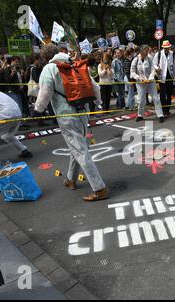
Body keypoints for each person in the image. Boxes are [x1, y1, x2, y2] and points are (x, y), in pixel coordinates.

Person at [35, 44, 108, 202]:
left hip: (66, 115)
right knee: (77, 146)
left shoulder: (49, 69)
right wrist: (99, 102)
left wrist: (37, 110)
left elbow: (45, 93)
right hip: (83, 111)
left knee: (80, 150)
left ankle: (99, 188)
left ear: (46, 57)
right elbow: (95, 87)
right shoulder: (74, 63)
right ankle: (71, 179)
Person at [130, 45, 165, 123]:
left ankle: (160, 115)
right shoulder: (135, 60)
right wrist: (139, 78)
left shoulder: (149, 58)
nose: (147, 52)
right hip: (140, 83)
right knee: (141, 100)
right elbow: (132, 72)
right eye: (146, 50)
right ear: (141, 51)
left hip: (150, 82)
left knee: (156, 98)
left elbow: (153, 69)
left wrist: (150, 78)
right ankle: (140, 115)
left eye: (148, 50)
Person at [154, 40, 175, 117]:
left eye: (168, 47)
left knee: (169, 94)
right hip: (162, 77)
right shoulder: (159, 54)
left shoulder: (172, 54)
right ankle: (163, 110)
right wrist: (157, 68)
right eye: (165, 47)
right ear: (163, 47)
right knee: (163, 95)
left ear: (169, 47)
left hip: (170, 77)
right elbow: (154, 64)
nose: (166, 49)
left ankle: (167, 110)